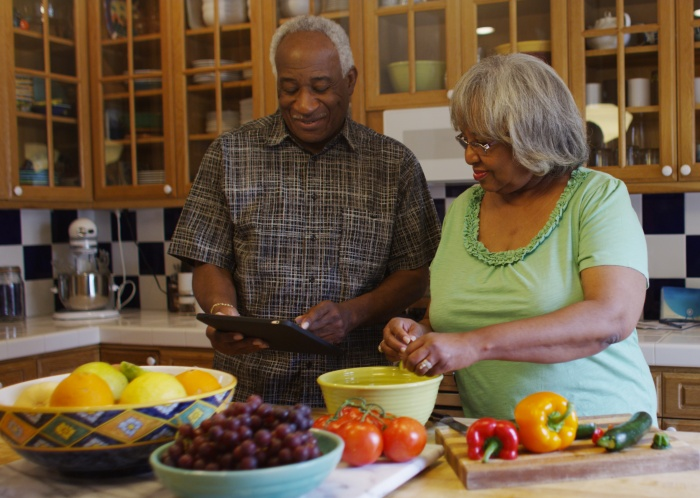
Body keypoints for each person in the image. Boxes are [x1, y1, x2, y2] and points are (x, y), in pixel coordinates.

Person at [168, 15, 441, 407]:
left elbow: (416, 274)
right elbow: (207, 260)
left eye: (320, 87)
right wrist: (222, 314)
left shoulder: (392, 164)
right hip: (253, 389)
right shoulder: (229, 154)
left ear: (349, 81)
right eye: (289, 88)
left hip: (357, 389)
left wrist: (352, 314)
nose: (304, 104)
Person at [380, 53, 658, 423]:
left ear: (533, 136)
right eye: (465, 138)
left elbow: (612, 318)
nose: (468, 156)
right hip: (497, 440)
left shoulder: (597, 197)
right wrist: (417, 334)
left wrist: (475, 345)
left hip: (603, 431)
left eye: (485, 143)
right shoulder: (463, 210)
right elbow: (447, 319)